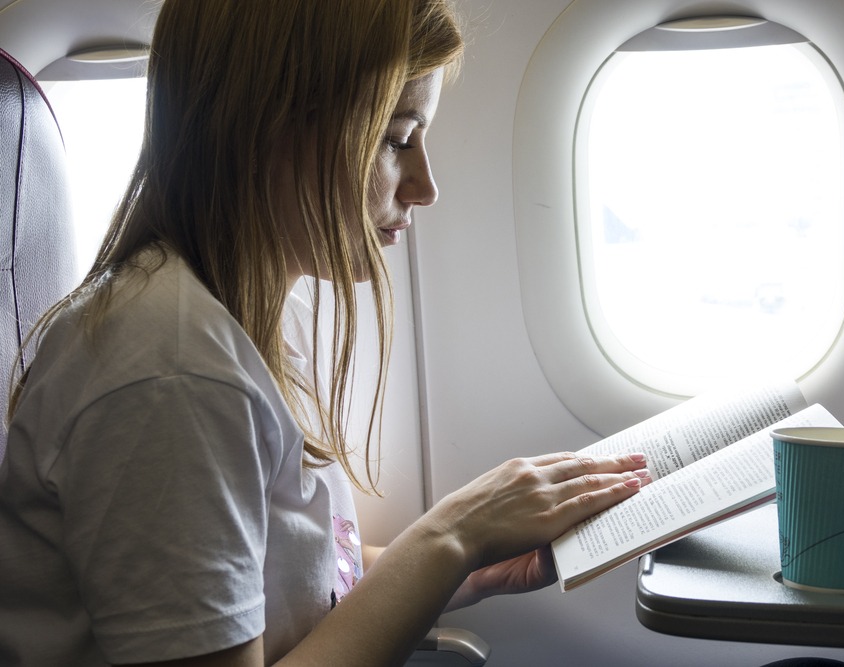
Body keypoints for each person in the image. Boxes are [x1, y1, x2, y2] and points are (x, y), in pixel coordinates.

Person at [0, 1, 652, 665]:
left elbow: (305, 579)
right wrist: (452, 533)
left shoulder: (244, 316)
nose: (426, 187)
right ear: (266, 128)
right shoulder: (168, 375)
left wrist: (471, 562)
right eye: (396, 139)